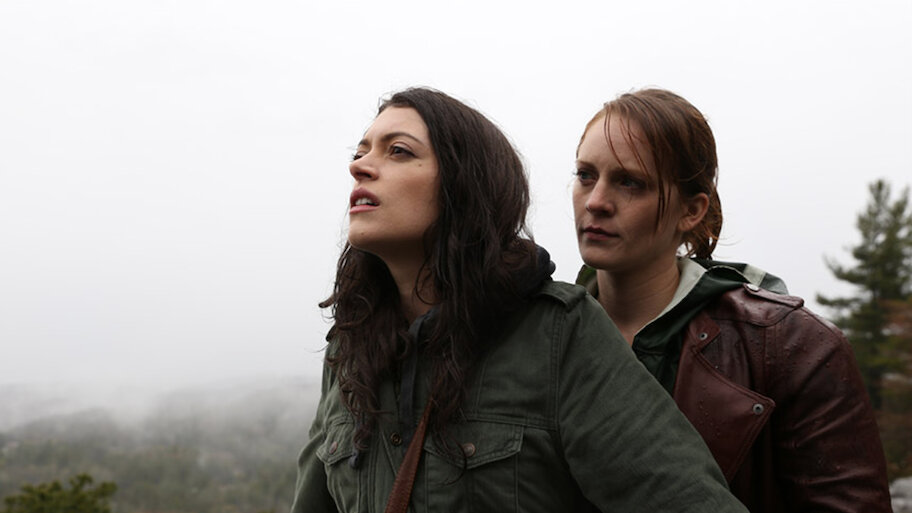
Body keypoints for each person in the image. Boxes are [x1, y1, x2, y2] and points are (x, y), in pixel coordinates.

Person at [291, 87, 747, 512]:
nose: (360, 166)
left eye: (398, 151)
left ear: (463, 184)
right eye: (360, 152)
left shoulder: (557, 334)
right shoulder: (348, 349)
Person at [572, 87, 892, 512]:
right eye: (585, 175)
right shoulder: (539, 335)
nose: (596, 202)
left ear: (691, 211)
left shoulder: (796, 348)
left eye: (630, 182)